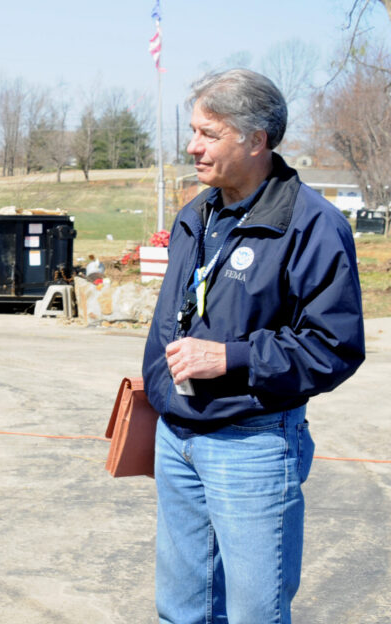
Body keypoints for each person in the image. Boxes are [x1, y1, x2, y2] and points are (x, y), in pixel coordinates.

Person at [142, 69, 365, 623]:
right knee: (181, 611)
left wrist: (232, 358)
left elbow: (334, 346)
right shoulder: (196, 215)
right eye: (193, 131)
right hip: (178, 439)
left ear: (256, 140)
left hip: (253, 443)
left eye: (208, 134)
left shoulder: (313, 225)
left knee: (254, 615)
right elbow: (171, 319)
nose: (192, 147)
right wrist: (158, 388)